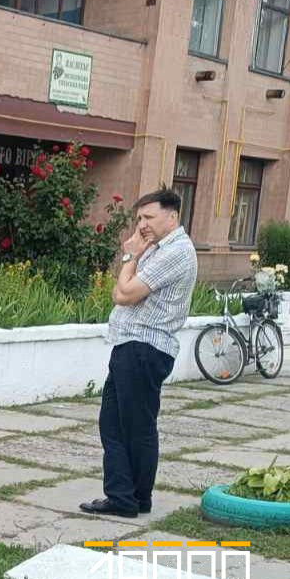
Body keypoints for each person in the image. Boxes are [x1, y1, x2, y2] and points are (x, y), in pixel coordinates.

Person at [80, 187, 198, 519]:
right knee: (119, 424)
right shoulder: (158, 249)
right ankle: (131, 497)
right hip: (134, 346)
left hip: (143, 348)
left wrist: (130, 257)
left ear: (172, 216)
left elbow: (125, 293)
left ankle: (127, 499)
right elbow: (120, 291)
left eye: (148, 217)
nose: (141, 224)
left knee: (131, 427)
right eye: (139, 218)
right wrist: (134, 261)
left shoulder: (176, 252)